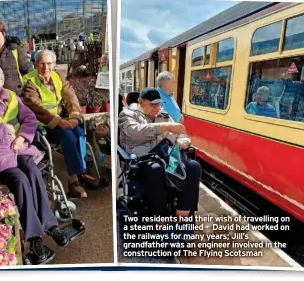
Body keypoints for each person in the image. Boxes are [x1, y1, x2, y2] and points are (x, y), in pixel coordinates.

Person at [0, 64, 68, 264]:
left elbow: (29, 118)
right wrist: (2, 128)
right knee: (20, 180)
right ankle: (34, 237)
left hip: (19, 148)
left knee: (33, 171)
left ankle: (50, 225)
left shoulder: (11, 96)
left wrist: (23, 138)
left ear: (2, 81)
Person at [118, 87, 201, 240]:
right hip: (143, 158)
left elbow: (181, 131)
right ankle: (160, 221)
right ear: (141, 102)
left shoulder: (163, 114)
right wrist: (165, 127)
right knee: (156, 170)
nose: (157, 108)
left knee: (193, 167)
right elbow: (134, 132)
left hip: (166, 155)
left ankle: (182, 216)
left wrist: (184, 140)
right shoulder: (127, 114)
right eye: (153, 104)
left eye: (158, 104)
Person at [22, 50, 99, 199]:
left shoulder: (58, 77)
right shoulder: (29, 81)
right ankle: (74, 180)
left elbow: (71, 97)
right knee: (68, 135)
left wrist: (75, 116)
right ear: (36, 64)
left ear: (54, 64)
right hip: (43, 124)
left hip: (60, 118)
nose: (46, 67)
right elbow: (35, 106)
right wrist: (59, 122)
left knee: (78, 131)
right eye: (42, 63)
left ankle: (82, 170)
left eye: (49, 63)